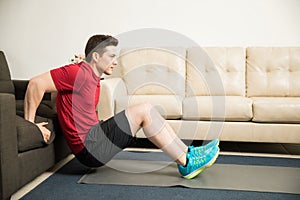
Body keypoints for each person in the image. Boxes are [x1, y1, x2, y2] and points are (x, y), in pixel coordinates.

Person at [24, 34, 219, 179]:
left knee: (148, 109)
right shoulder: (77, 73)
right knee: (143, 110)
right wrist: (30, 125)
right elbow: (35, 84)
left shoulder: (89, 75)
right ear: (96, 57)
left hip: (95, 138)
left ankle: (187, 153)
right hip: (89, 148)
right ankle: (186, 163)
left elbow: (60, 95)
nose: (116, 62)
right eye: (111, 56)